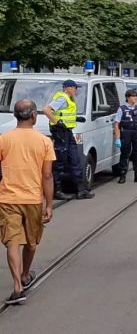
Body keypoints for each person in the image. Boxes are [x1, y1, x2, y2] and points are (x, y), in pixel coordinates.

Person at [0, 100, 55, 304]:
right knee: (31, 242)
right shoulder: (44, 141)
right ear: (34, 116)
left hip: (7, 199)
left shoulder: (4, 139)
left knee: (12, 241)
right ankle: (24, 275)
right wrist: (48, 205)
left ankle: (17, 286)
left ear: (16, 116)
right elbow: (47, 176)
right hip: (32, 200)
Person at [42, 79, 92, 201]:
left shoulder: (69, 99)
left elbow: (65, 115)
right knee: (59, 162)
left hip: (68, 132)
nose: (76, 90)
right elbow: (46, 110)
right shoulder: (62, 98)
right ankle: (57, 191)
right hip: (60, 133)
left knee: (75, 159)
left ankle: (81, 190)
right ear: (68, 88)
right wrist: (57, 123)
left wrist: (76, 118)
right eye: (75, 88)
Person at [114, 89, 137, 184]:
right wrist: (117, 139)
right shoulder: (122, 109)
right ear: (128, 97)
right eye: (133, 96)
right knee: (124, 154)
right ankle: (122, 174)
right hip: (126, 133)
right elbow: (117, 124)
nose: (135, 98)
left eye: (136, 96)